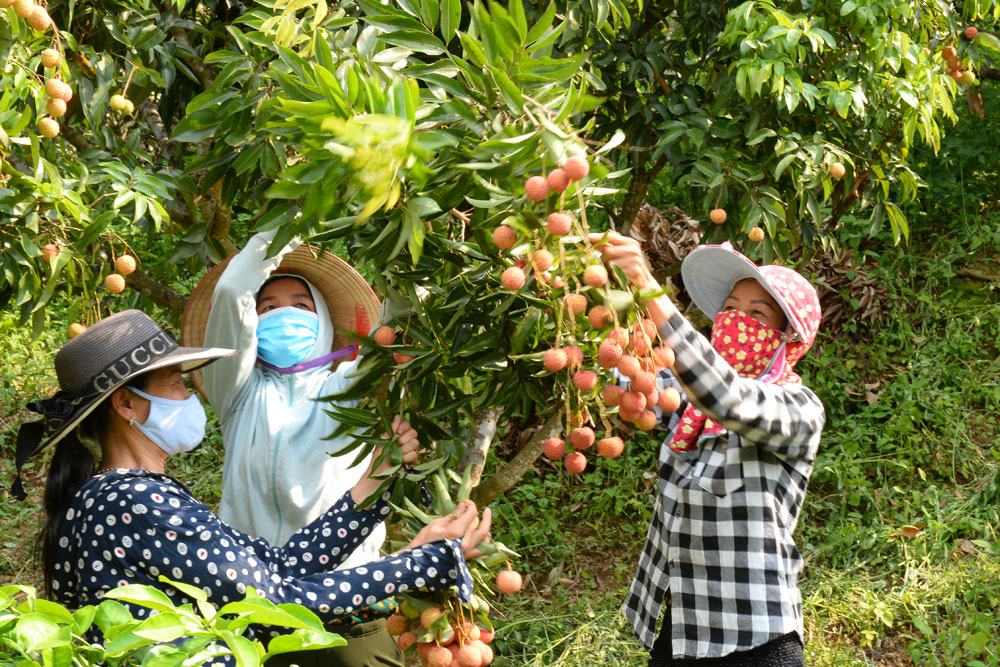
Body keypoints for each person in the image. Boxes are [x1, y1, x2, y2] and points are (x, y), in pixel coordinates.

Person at [12, 310, 490, 662]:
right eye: (177, 383)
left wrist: (373, 483)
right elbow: (276, 603)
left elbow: (275, 566)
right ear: (126, 405)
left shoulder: (124, 495)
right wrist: (427, 563)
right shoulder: (134, 501)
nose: (190, 393)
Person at [180, 230, 414, 664]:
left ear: (324, 321)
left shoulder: (349, 388)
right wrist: (288, 225)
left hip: (348, 609)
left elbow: (397, 324)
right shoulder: (236, 394)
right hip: (255, 609)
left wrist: (401, 235)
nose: (284, 314)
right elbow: (232, 291)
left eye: (301, 306)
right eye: (268, 307)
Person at [591, 233, 824, 667]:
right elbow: (623, 380)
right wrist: (587, 292)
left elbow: (727, 397)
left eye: (757, 313)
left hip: (757, 636)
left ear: (787, 338)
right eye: (731, 308)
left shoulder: (797, 408)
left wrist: (648, 286)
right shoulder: (688, 401)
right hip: (685, 629)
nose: (736, 320)